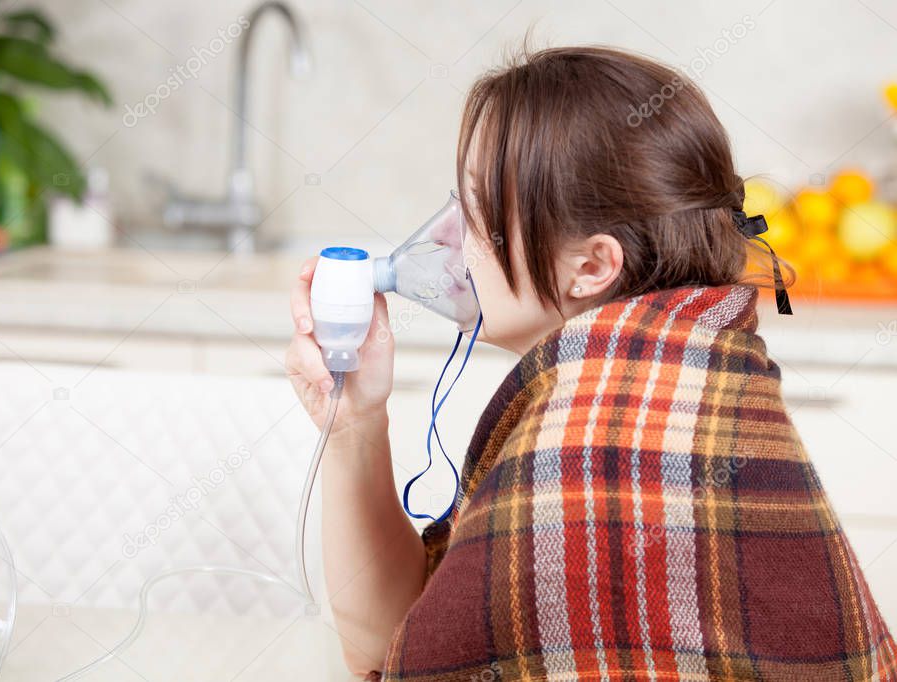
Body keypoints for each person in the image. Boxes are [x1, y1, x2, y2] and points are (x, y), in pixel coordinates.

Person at [286, 46, 896, 681]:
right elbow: (392, 645)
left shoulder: (594, 441)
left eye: (475, 210)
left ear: (592, 267)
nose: (443, 237)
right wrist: (354, 419)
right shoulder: (659, 370)